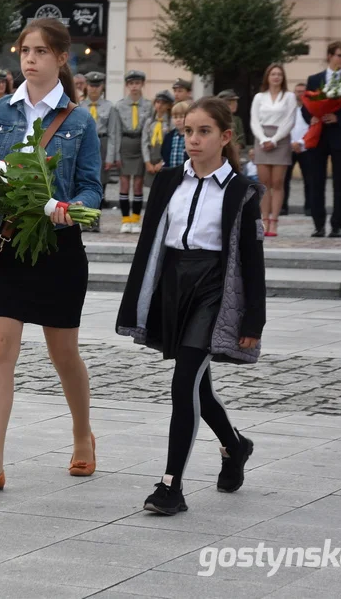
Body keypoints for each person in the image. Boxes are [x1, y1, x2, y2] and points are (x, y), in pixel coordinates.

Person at [0, 18, 102, 493]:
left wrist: (73, 210)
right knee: (0, 349)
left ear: (62, 58)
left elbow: (93, 188)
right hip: (11, 244)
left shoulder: (79, 121)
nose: (29, 59)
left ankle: (83, 435)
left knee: (64, 354)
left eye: (40, 51)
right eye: (24, 50)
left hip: (59, 249)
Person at [117, 97, 265, 515]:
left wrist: (254, 317)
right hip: (172, 284)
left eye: (204, 132)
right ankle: (235, 446)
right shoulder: (167, 180)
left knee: (184, 383)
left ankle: (171, 486)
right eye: (188, 131)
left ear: (225, 137)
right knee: (197, 382)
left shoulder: (241, 191)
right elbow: (150, 242)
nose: (194, 139)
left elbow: (252, 261)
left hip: (213, 289)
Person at [302, 41, 341, 238]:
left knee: (340, 182)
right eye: (339, 55)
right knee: (316, 181)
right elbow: (305, 105)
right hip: (319, 136)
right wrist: (310, 118)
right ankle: (318, 224)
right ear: (329, 56)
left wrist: (339, 117)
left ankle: (337, 225)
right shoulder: (314, 79)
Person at [250, 64, 297, 237]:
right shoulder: (259, 97)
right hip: (262, 138)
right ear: (267, 77)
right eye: (273, 74)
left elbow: (289, 120)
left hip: (281, 139)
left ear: (283, 77)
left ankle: (274, 221)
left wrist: (275, 140)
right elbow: (254, 120)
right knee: (264, 184)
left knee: (277, 183)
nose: (276, 77)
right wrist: (263, 139)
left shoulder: (289, 97)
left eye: (279, 74)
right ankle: (264, 220)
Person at [108, 70, 152, 233]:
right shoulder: (119, 106)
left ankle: (136, 219)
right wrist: (116, 155)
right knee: (124, 184)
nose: (134, 87)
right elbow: (116, 131)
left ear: (142, 84)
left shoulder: (149, 105)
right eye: (131, 83)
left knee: (138, 185)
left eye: (137, 83)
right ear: (127, 85)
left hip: (141, 145)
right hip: (125, 144)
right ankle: (125, 220)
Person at [80, 71, 112, 207]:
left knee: (100, 183)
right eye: (91, 85)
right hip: (84, 144)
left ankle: (95, 219)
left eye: (97, 85)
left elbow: (113, 133)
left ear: (102, 86)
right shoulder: (79, 106)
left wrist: (111, 156)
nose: (94, 89)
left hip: (102, 143)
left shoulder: (109, 106)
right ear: (86, 86)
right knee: (84, 180)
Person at [283, 82, 312, 216]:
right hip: (288, 147)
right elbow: (283, 127)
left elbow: (313, 128)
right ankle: (283, 207)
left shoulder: (312, 109)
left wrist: (300, 142)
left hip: (306, 148)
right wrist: (291, 143)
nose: (299, 94)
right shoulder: (287, 109)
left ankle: (309, 207)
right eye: (297, 91)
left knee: (309, 179)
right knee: (284, 179)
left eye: (302, 91)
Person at [143, 90, 175, 186]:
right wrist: (147, 162)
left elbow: (171, 145)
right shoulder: (149, 122)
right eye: (157, 102)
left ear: (169, 106)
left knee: (164, 186)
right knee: (151, 189)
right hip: (151, 160)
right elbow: (144, 142)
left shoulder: (171, 123)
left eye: (163, 103)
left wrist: (163, 162)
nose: (159, 105)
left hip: (165, 161)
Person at [163, 100, 190, 169]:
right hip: (171, 171)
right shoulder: (169, 136)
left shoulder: (191, 136)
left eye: (181, 117)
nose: (178, 120)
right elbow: (164, 153)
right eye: (175, 117)